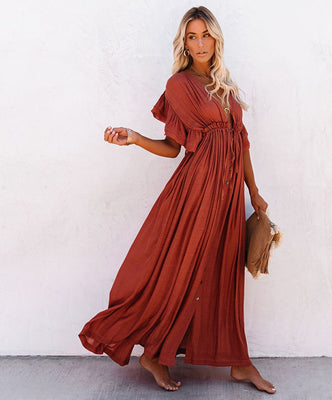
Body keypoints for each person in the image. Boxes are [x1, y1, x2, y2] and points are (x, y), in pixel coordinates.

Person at [78, 5, 276, 394]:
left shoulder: (226, 86)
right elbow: (173, 148)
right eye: (192, 36)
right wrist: (135, 137)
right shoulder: (179, 85)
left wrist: (253, 192)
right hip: (197, 191)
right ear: (183, 44)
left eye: (205, 35)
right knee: (182, 271)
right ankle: (155, 353)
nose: (200, 43)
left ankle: (239, 364)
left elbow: (242, 142)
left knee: (224, 274)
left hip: (229, 195)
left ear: (216, 38)